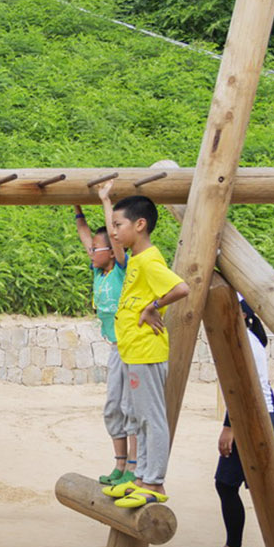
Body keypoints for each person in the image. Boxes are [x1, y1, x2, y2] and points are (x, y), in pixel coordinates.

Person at [97, 183, 190, 508]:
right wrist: (105, 201)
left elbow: (182, 288)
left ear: (140, 225)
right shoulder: (135, 259)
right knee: (137, 416)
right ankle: (139, 479)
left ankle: (154, 482)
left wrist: (153, 306)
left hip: (147, 352)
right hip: (132, 351)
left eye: (119, 226)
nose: (114, 232)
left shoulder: (149, 261)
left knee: (151, 418)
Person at [202, 295, 274, 547]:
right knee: (258, 485)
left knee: (245, 486)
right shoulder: (250, 338)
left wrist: (230, 427)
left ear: (243, 313)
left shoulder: (243, 340)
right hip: (262, 416)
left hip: (250, 420)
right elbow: (262, 384)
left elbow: (244, 388)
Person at [73, 203, 134, 484]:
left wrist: (107, 201)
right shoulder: (98, 272)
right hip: (115, 348)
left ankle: (133, 468)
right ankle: (119, 465)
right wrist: (77, 208)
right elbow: (85, 235)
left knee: (129, 406)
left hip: (132, 347)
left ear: (111, 251)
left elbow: (115, 234)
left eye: (96, 248)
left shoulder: (121, 268)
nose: (90, 251)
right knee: (112, 407)